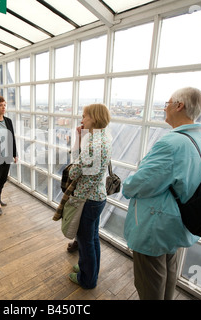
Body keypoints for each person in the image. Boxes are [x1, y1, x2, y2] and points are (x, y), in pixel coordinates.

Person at [122, 87, 201, 300]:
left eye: (167, 104)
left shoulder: (171, 143)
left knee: (150, 281)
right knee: (169, 274)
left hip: (155, 226)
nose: (164, 108)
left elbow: (142, 183)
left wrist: (127, 186)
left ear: (179, 106)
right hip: (178, 223)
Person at [67, 103, 111, 289]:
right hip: (98, 197)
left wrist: (77, 141)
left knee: (85, 242)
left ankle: (87, 279)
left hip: (88, 200)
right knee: (92, 238)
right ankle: (89, 268)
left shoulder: (93, 144)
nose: (82, 119)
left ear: (93, 118)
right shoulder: (104, 137)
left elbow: (73, 172)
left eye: (84, 116)